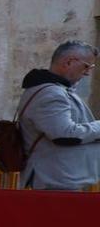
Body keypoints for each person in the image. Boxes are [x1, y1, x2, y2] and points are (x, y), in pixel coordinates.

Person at [17, 41, 100, 192]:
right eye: (86, 66)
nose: (87, 73)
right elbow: (64, 134)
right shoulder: (50, 93)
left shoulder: (56, 90)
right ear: (69, 62)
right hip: (53, 181)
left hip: (62, 179)